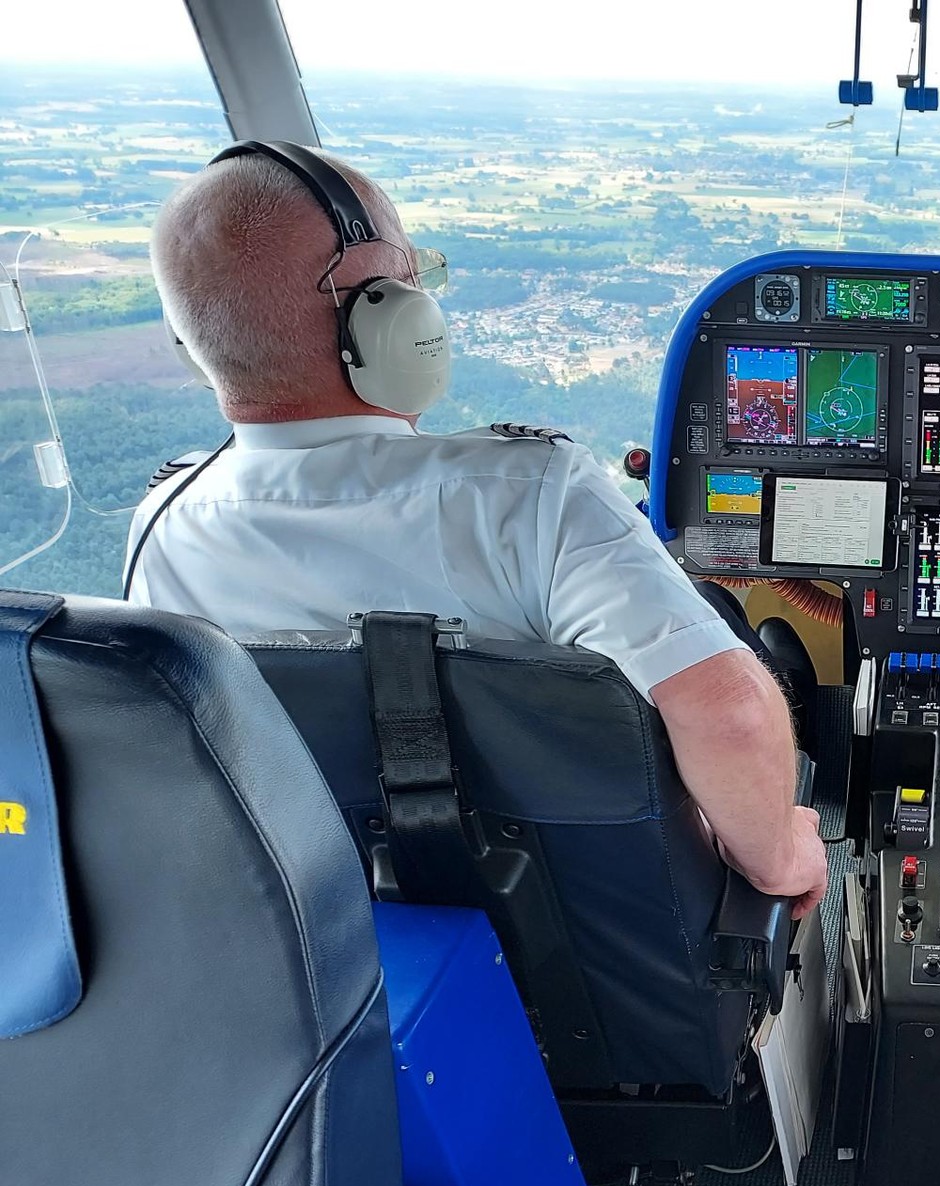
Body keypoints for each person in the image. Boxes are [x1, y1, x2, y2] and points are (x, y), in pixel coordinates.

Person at [130, 142, 828, 918]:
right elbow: (726, 712)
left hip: (318, 976)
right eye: (410, 281)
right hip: (598, 991)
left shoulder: (162, 527)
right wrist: (782, 852)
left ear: (195, 345)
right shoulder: (530, 497)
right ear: (387, 317)